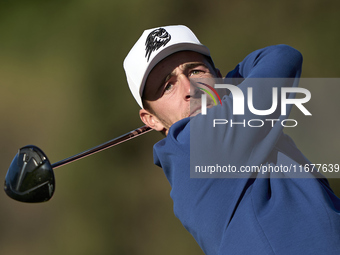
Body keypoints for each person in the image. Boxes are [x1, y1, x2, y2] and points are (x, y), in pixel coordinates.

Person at [123, 25, 340, 255]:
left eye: (196, 72)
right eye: (168, 86)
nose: (190, 89)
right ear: (151, 120)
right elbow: (282, 57)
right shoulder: (196, 144)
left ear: (217, 76)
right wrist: (230, 87)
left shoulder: (245, 132)